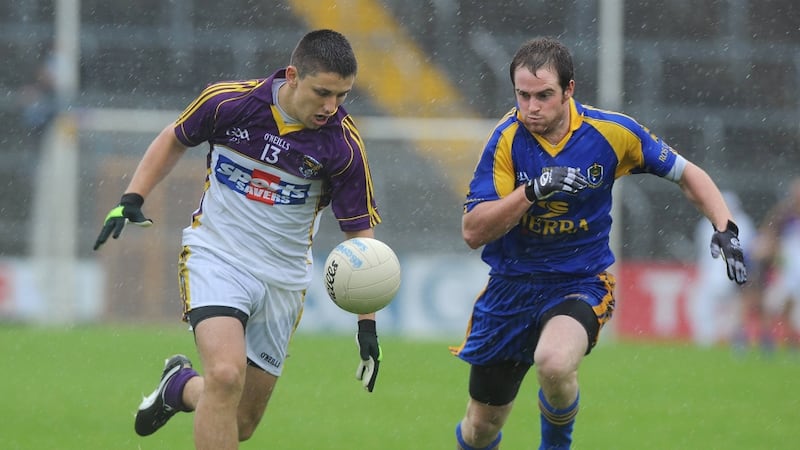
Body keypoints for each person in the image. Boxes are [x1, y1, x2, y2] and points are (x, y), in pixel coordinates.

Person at [449, 36, 746, 450]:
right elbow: (473, 231)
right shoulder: (505, 141)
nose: (532, 107)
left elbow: (687, 174)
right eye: (523, 95)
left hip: (580, 281)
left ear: (570, 90)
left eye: (544, 95)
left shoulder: (611, 133)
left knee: (553, 362)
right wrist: (531, 192)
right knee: (481, 428)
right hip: (510, 289)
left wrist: (725, 226)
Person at [93, 29, 384, 450]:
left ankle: (179, 387)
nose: (331, 107)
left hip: (283, 281)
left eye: (342, 96)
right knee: (226, 376)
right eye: (323, 92)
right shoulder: (229, 102)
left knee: (241, 422)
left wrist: (367, 326)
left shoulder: (342, 145)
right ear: (293, 75)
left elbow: (359, 235)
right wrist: (132, 197)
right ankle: (196, 385)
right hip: (217, 257)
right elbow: (174, 139)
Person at [688, 191, 756, 348]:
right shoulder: (743, 223)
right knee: (732, 312)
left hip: (715, 276)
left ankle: (708, 342)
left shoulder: (710, 223)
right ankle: (735, 343)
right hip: (731, 275)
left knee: (706, 311)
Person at [754, 177, 800, 349]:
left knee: (791, 308)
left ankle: (791, 342)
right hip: (785, 270)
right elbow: (769, 235)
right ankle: (767, 339)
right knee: (772, 305)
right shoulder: (784, 214)